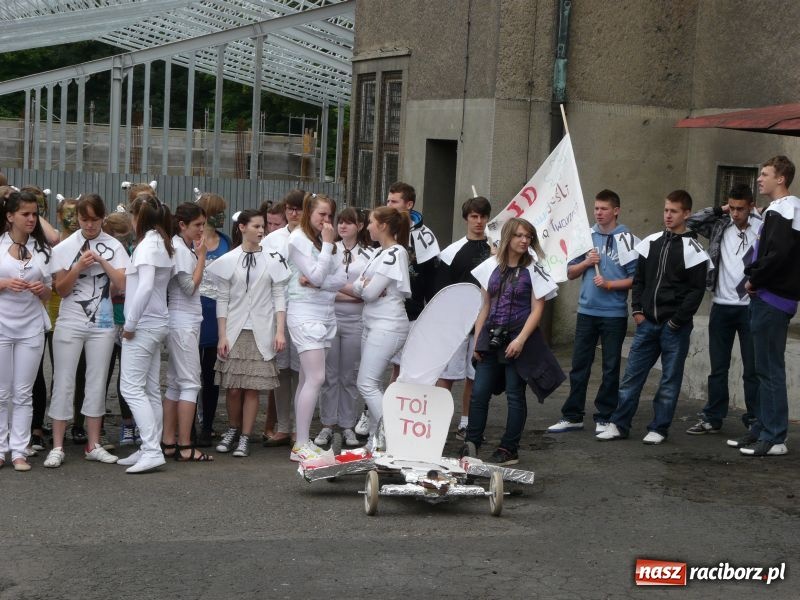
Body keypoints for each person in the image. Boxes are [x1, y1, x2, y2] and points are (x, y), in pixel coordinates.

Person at [597, 190, 709, 444]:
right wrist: (637, 311)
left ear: (686, 214)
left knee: (669, 380)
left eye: (674, 211)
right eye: (666, 210)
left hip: (674, 328)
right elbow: (640, 280)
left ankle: (659, 428)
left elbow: (696, 291)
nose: (668, 215)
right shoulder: (651, 241)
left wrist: (676, 321)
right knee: (632, 377)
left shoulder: (695, 250)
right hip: (646, 323)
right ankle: (618, 424)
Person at [460, 218, 561, 466]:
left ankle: (509, 448)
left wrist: (521, 340)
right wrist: (478, 339)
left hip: (519, 340)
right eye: (519, 235)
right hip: (490, 338)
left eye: (528, 236)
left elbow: (537, 310)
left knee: (515, 395)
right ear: (508, 237)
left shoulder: (534, 268)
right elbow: (485, 305)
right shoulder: (490, 266)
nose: (524, 240)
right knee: (479, 392)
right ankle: (471, 443)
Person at [43, 194, 127, 468]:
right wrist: (79, 266)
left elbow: (122, 285)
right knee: (64, 380)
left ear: (103, 218)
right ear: (78, 219)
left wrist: (103, 262)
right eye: (84, 219)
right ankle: (57, 445)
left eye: (94, 219)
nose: (89, 225)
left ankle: (94, 443)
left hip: (102, 323)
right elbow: (62, 289)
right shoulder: (66, 246)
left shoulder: (114, 245)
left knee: (97, 380)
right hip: (70, 320)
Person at [547, 190, 637, 435]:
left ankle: (605, 416)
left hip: (614, 313)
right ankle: (572, 415)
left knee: (610, 367)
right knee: (579, 365)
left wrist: (609, 284)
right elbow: (570, 272)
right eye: (596, 208)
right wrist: (586, 262)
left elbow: (635, 278)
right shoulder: (585, 236)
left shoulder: (627, 238)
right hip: (587, 310)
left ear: (616, 210)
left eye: (604, 209)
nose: (598, 213)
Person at [732, 156, 800, 457]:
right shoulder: (777, 210)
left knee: (770, 369)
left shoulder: (787, 210)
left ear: (781, 179)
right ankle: (762, 427)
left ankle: (775, 437)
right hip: (766, 296)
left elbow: (779, 255)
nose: (759, 179)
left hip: (773, 298)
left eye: (765, 174)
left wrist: (754, 279)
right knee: (761, 367)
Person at [209, 210, 289, 458]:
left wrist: (279, 331)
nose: (261, 230)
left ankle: (245, 436)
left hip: (262, 330)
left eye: (262, 226)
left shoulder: (273, 259)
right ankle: (232, 430)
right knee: (233, 387)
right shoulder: (229, 259)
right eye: (256, 226)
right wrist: (222, 335)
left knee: (253, 388)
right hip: (234, 330)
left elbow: (279, 296)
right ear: (242, 227)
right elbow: (222, 298)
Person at [685, 184, 762, 435]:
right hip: (721, 305)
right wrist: (721, 209)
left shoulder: (762, 228)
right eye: (733, 208)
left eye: (741, 208)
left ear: (751, 206)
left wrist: (759, 216)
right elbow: (693, 221)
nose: (736, 213)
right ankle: (713, 417)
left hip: (751, 307)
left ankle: (754, 419)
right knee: (718, 367)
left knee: (752, 369)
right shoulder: (721, 225)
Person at [116, 192, 175, 474]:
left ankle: (152, 449)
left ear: (138, 217)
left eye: (131, 214)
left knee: (131, 387)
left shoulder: (149, 245)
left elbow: (146, 286)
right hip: (153, 324)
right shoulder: (157, 242)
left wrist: (129, 325)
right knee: (149, 389)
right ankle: (150, 447)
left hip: (144, 326)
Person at [286, 193, 347, 462]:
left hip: (325, 313)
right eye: (321, 214)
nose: (327, 220)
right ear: (308, 213)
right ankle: (300, 444)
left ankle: (302, 441)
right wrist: (325, 249)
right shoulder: (299, 239)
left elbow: (340, 278)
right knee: (317, 378)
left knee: (306, 379)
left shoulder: (327, 242)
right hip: (305, 314)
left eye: (329, 215)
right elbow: (321, 275)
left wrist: (318, 280)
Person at [351, 206, 412, 451]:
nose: (367, 227)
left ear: (383, 226)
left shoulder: (395, 253)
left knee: (365, 383)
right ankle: (377, 441)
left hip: (388, 326)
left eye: (371, 223)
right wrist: (364, 287)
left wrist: (366, 287)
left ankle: (391, 436)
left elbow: (369, 292)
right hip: (373, 324)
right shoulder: (379, 253)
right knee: (372, 384)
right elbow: (361, 286)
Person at [0, 191, 52, 471]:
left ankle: (19, 450)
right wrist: (5, 283)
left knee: (23, 392)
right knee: (0, 392)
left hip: (31, 327)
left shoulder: (43, 250)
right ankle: (0, 448)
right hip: (2, 325)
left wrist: (42, 290)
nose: (31, 219)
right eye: (25, 214)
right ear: (10, 217)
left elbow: (50, 292)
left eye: (34, 214)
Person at [435, 196, 492, 439]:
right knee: (446, 377)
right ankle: (436, 423)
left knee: (474, 378)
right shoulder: (451, 252)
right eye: (474, 217)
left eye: (483, 217)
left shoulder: (496, 248)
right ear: (466, 218)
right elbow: (443, 290)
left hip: (484, 323)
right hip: (456, 324)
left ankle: (466, 423)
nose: (479, 222)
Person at [316, 207, 373, 448]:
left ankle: (348, 425)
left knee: (349, 375)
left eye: (349, 223)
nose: (343, 226)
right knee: (329, 375)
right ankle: (327, 424)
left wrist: (335, 288)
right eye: (341, 222)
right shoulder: (330, 249)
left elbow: (367, 291)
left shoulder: (370, 254)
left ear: (360, 226)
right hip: (329, 317)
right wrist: (351, 293)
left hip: (356, 320)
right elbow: (321, 283)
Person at [162, 202, 212, 462]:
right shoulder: (181, 250)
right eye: (197, 225)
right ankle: (185, 444)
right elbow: (189, 287)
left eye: (203, 225)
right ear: (182, 225)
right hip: (182, 322)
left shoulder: (182, 247)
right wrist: (202, 256)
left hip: (183, 321)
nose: (201, 230)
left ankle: (169, 441)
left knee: (175, 383)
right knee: (191, 383)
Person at [261, 189, 304, 448]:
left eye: (299, 208)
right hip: (277, 310)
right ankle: (283, 427)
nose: (294, 213)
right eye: (290, 208)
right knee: (281, 370)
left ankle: (300, 427)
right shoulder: (273, 238)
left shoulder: (312, 237)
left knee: (301, 371)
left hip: (301, 309)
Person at [195, 193, 231, 447]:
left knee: (211, 373)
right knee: (187, 372)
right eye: (219, 212)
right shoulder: (189, 242)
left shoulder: (226, 241)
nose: (223, 217)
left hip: (218, 314)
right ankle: (186, 422)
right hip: (192, 311)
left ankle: (206, 425)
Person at [101, 211, 138, 446]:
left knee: (128, 375)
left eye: (127, 238)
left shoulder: (134, 252)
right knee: (101, 374)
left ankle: (128, 424)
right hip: (106, 319)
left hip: (127, 319)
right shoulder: (104, 253)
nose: (123, 243)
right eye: (119, 238)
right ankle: (99, 426)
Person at [261, 200, 287, 441]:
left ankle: (277, 423)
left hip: (287, 307)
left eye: (275, 223)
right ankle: (271, 424)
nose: (269, 227)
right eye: (267, 222)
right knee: (273, 371)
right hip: (267, 308)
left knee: (284, 372)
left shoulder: (289, 240)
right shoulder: (268, 240)